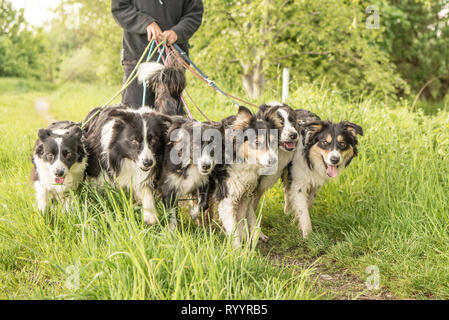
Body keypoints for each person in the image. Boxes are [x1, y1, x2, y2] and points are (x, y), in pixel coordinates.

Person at [111, 0, 204, 107]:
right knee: (135, 114)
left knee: (170, 117)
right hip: (137, 58)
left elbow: (194, 14)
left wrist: (177, 32)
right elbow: (119, 8)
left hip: (172, 64)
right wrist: (146, 23)